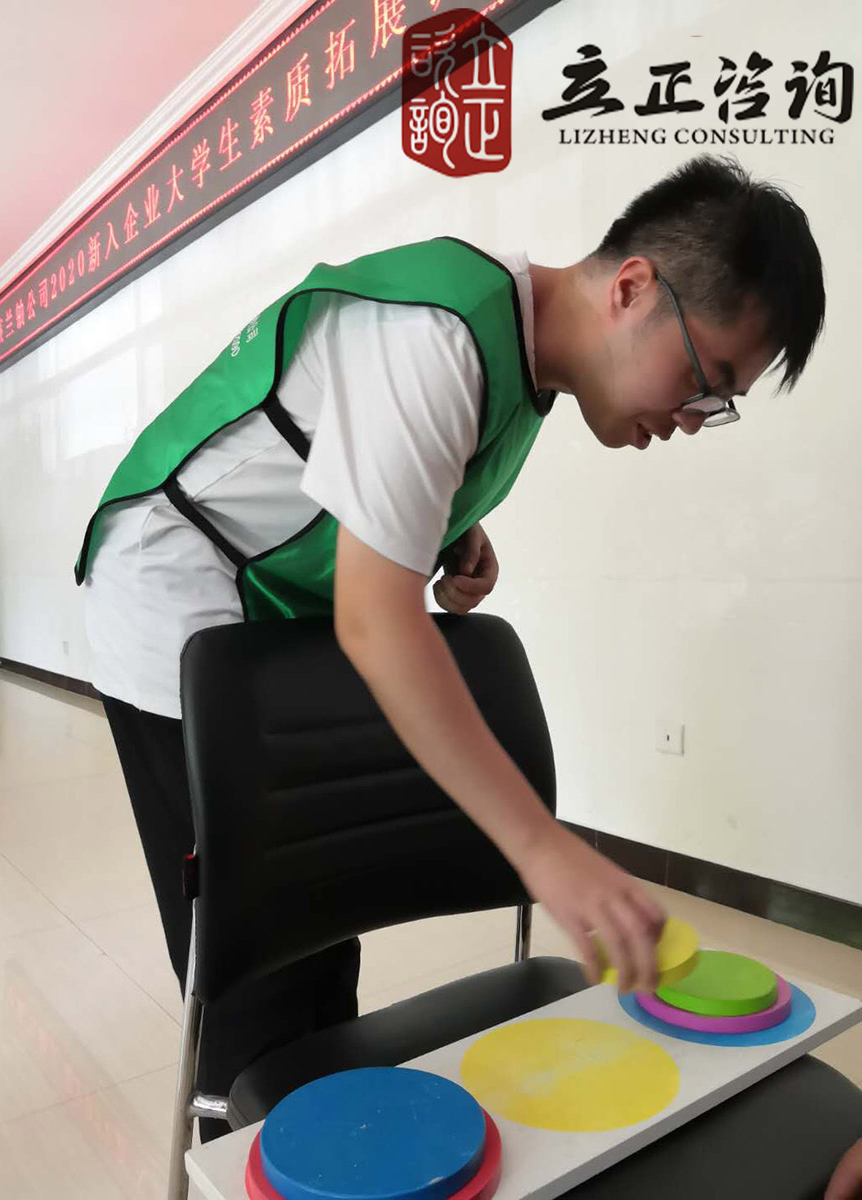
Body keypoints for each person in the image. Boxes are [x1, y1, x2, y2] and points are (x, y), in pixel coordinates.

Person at [76, 153, 825, 1141]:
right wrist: (543, 848)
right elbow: (375, 620)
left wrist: (444, 531)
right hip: (174, 590)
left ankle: (328, 1129)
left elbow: (364, 484)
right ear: (633, 288)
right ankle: (246, 1144)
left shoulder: (523, 365)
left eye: (716, 405)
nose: (690, 420)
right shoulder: (439, 334)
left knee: (320, 925)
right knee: (258, 958)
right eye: (703, 379)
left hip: (266, 611)